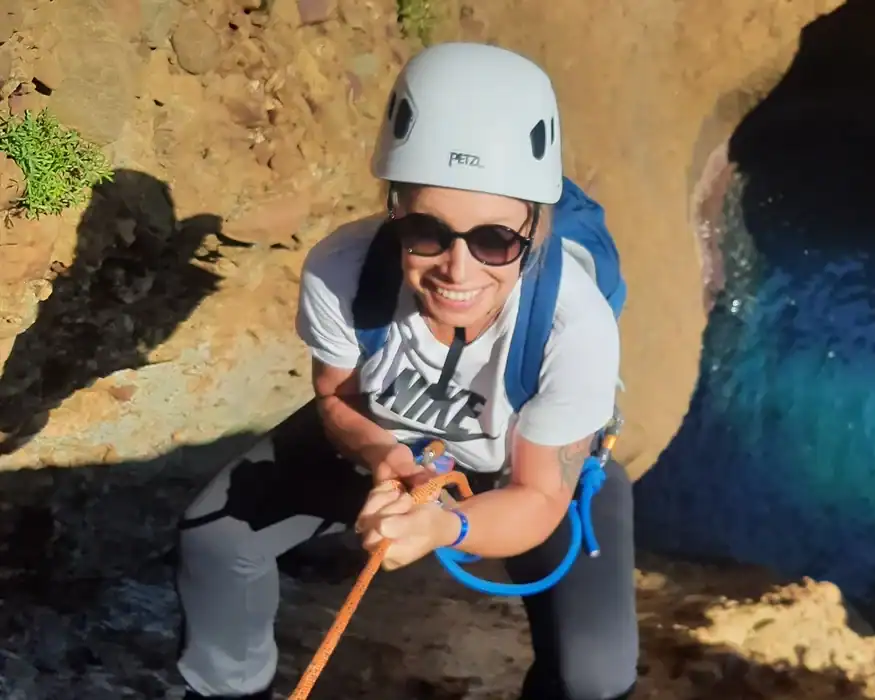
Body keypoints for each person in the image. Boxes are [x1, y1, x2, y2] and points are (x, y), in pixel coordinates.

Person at [172, 42, 638, 700]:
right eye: (425, 229)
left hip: (523, 467)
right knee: (216, 539)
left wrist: (445, 525)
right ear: (392, 208)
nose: (458, 269)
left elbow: (538, 497)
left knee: (595, 676)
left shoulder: (574, 324)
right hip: (389, 438)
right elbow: (336, 394)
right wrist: (383, 454)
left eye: (495, 240)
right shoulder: (344, 270)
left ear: (535, 229)